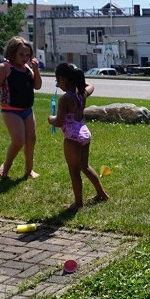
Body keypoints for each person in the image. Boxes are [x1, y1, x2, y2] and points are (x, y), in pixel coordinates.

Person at [47, 63, 109, 209]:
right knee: (85, 166)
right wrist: (79, 81)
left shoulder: (65, 99)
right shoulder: (82, 93)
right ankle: (101, 193)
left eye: (57, 81)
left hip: (72, 138)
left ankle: (78, 203)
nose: (57, 84)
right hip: (84, 134)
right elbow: (91, 85)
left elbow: (59, 121)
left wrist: (51, 118)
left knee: (74, 171)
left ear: (62, 79)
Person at [0, 36, 43, 179]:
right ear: (12, 53)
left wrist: (35, 68)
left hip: (27, 110)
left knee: (31, 140)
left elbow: (37, 86)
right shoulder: (4, 68)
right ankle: (6, 166)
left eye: (28, 55)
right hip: (11, 110)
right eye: (21, 54)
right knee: (18, 141)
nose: (25, 57)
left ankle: (29, 170)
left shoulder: (27, 68)